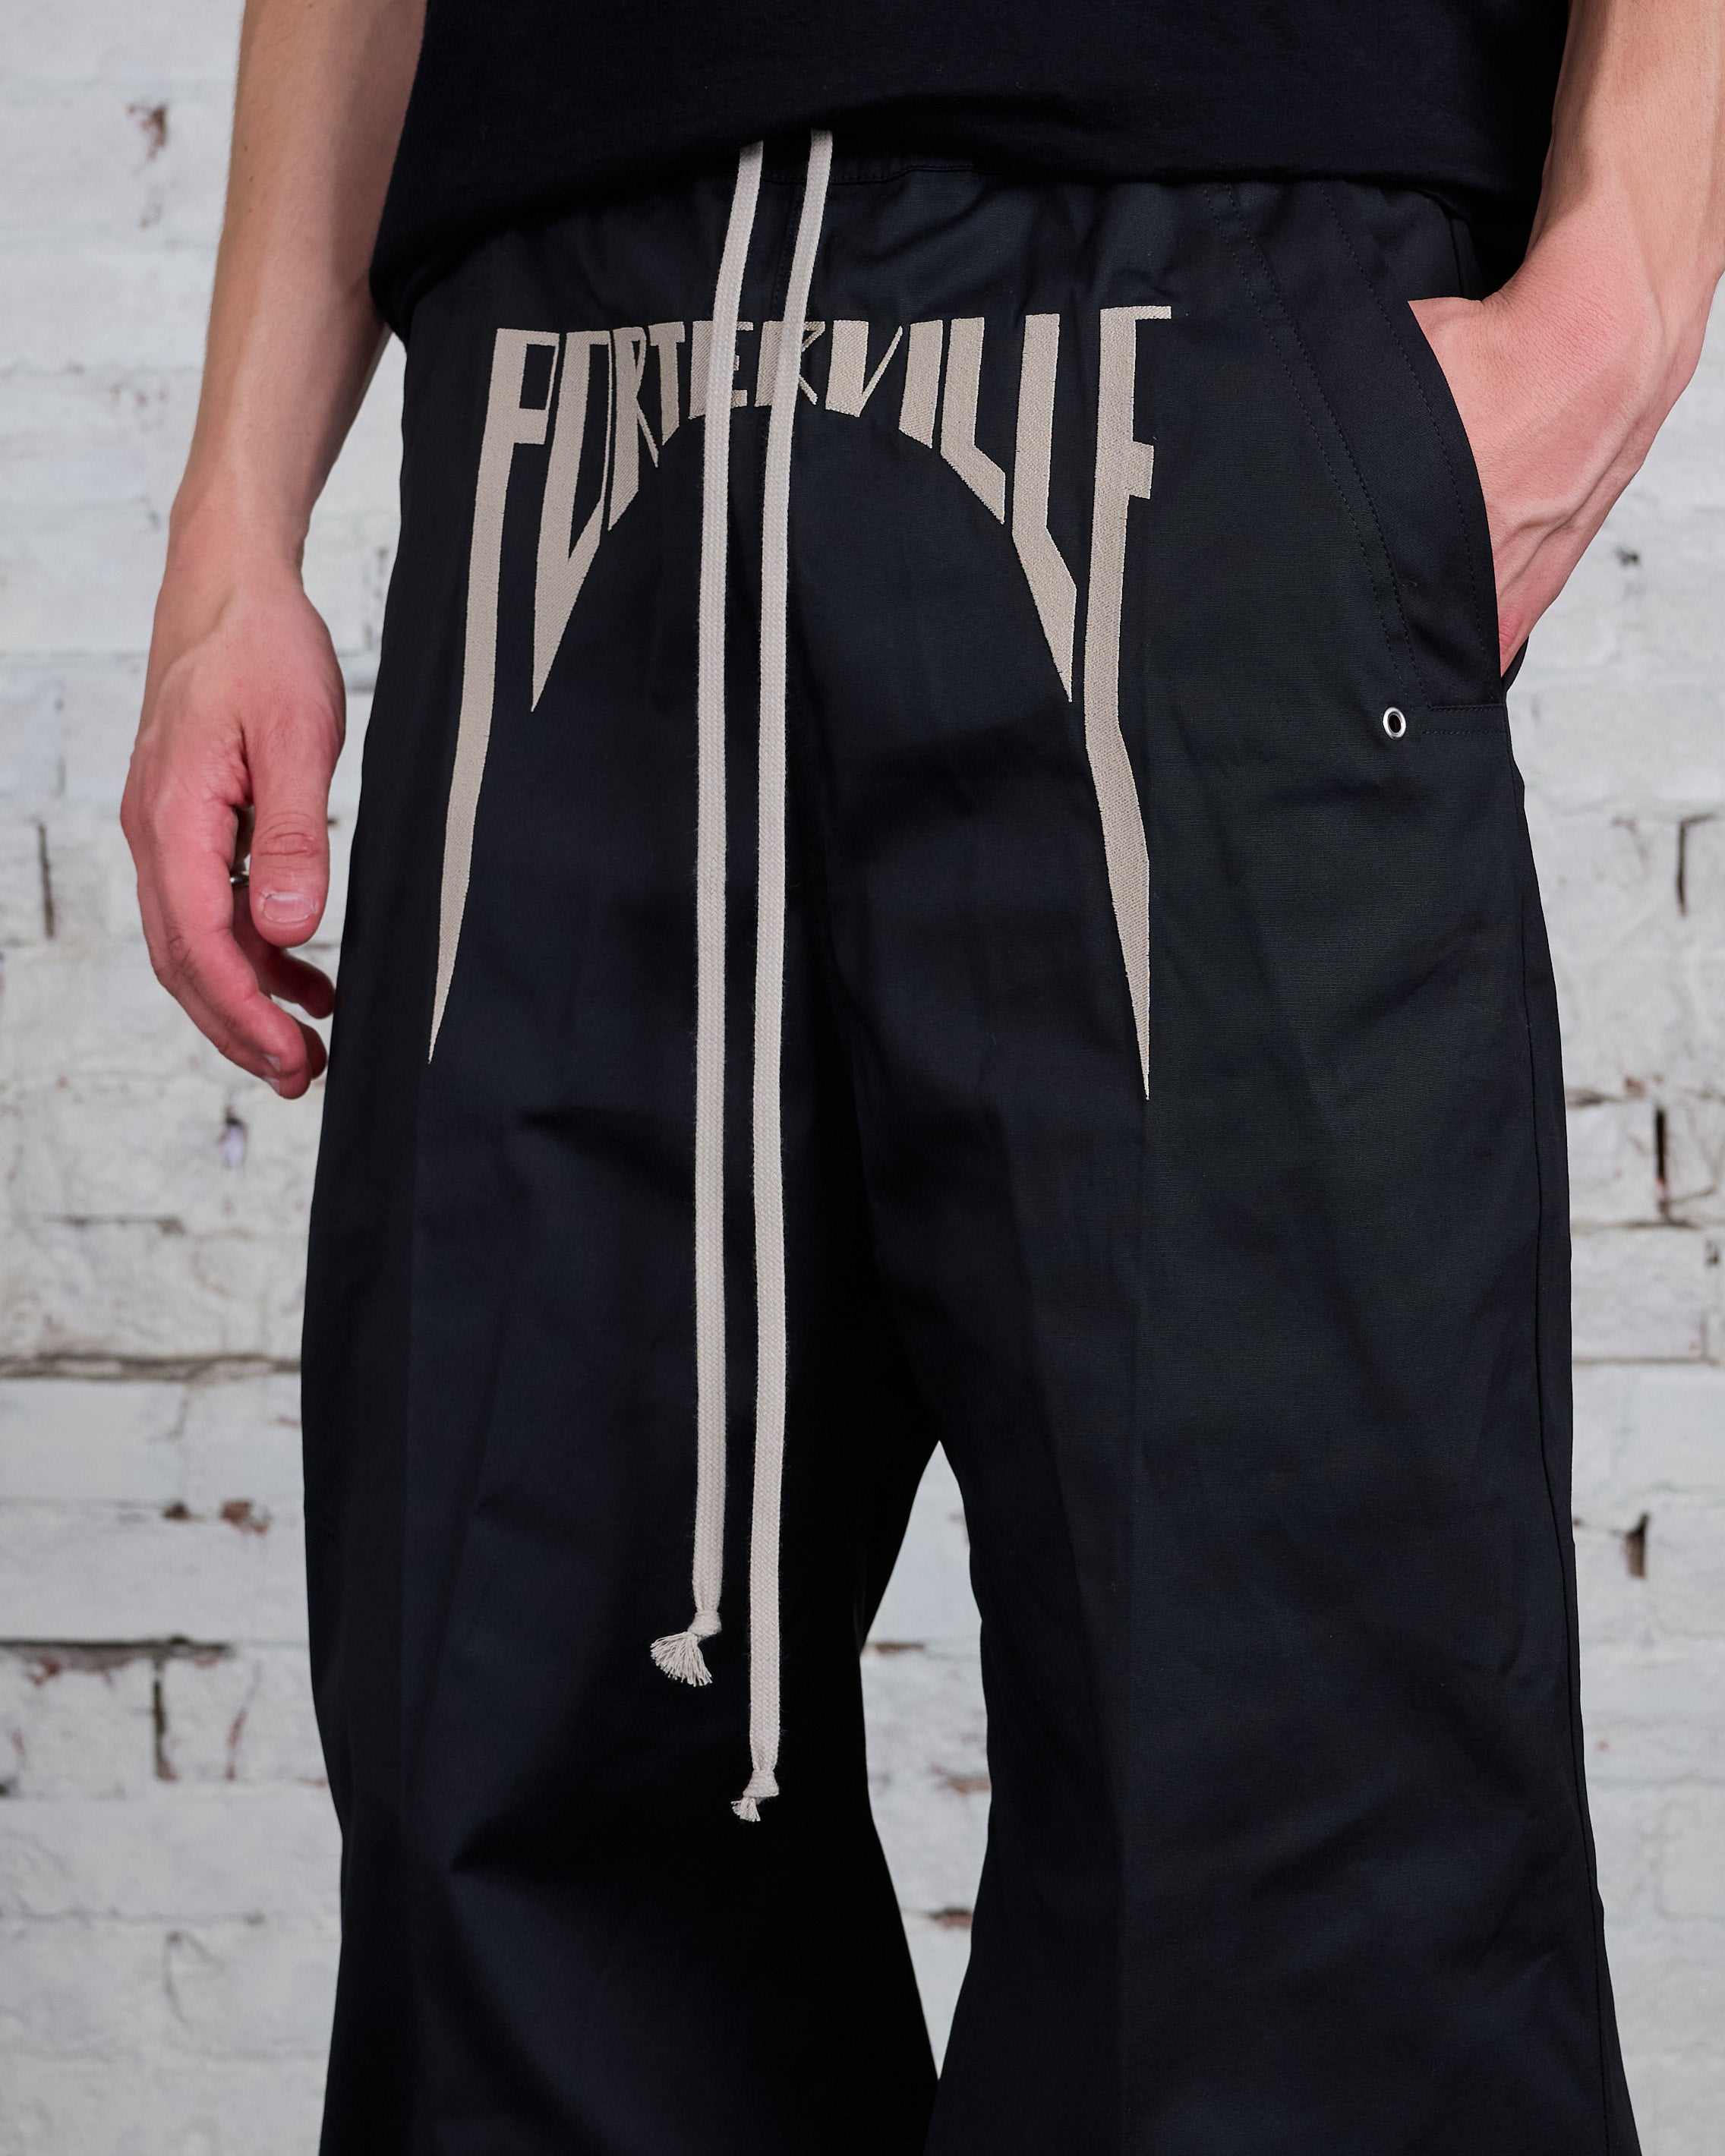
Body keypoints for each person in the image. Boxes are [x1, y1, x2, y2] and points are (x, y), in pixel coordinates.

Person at [123, 0, 1723, 2146]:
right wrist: (235, 521)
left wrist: (1623, 287)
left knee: (1298, 1883)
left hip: (1198, 335)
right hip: (563, 399)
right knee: (518, 1824)